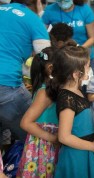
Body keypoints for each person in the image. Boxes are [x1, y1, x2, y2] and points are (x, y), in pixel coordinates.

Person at [46, 42, 94, 178]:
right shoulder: (67, 98)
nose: (90, 70)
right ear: (76, 74)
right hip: (75, 156)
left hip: (83, 151)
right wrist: (92, 147)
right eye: (88, 67)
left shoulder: (77, 90)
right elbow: (64, 136)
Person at [0, 0, 50, 147]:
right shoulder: (33, 19)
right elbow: (47, 57)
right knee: (35, 132)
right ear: (38, 3)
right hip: (7, 85)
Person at [16, 47, 59, 178]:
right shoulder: (44, 93)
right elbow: (25, 123)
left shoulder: (49, 89)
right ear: (51, 68)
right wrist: (53, 138)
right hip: (43, 148)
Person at [42, 0, 94, 68]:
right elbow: (42, 34)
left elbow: (92, 38)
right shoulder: (49, 10)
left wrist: (78, 49)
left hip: (82, 56)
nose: (63, 2)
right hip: (60, 56)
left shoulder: (85, 10)